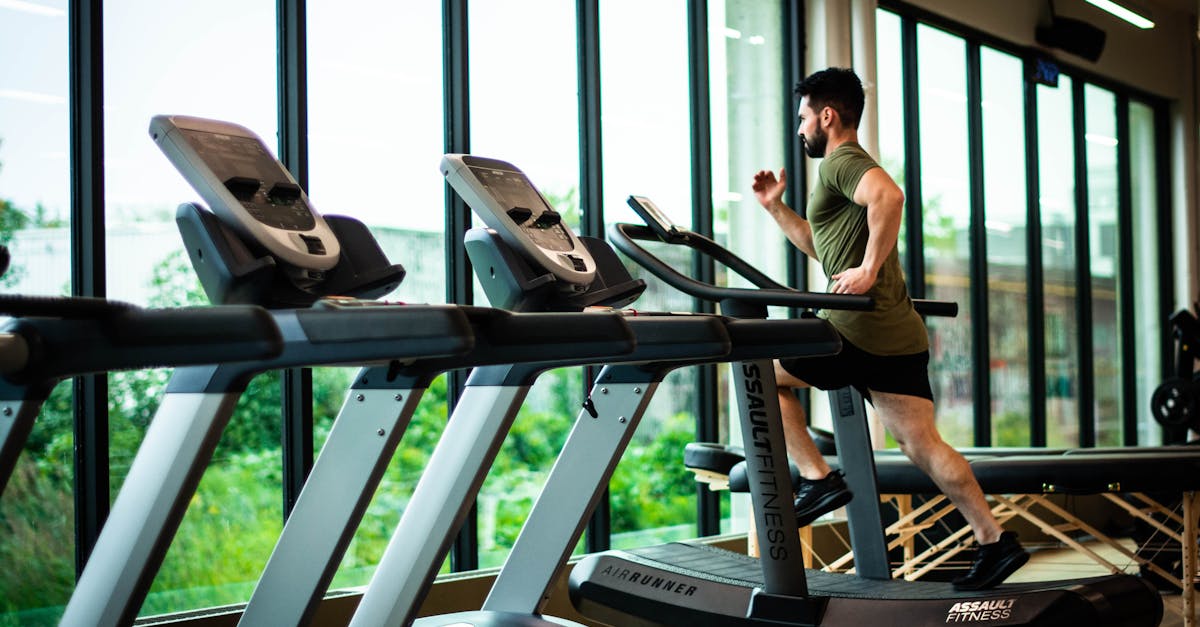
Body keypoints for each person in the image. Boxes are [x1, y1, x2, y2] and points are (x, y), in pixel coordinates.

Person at [750, 67, 1028, 591]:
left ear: (826, 116)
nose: (800, 128)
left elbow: (891, 198)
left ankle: (817, 479)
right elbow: (822, 246)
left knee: (759, 371)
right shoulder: (843, 172)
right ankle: (995, 541)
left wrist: (870, 270)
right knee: (923, 445)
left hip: (852, 329)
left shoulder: (843, 162)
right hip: (896, 334)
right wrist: (776, 208)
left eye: (804, 117)